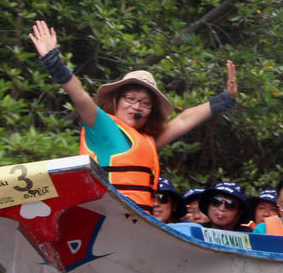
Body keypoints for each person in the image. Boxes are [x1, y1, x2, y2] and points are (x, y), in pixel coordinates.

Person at [28, 20, 238, 210]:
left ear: (151, 112)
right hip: (108, 215)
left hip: (138, 219)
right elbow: (79, 95)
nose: (137, 106)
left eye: (145, 103)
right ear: (116, 101)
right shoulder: (102, 125)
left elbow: (184, 119)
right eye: (130, 99)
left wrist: (224, 100)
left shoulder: (148, 139)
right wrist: (53, 62)